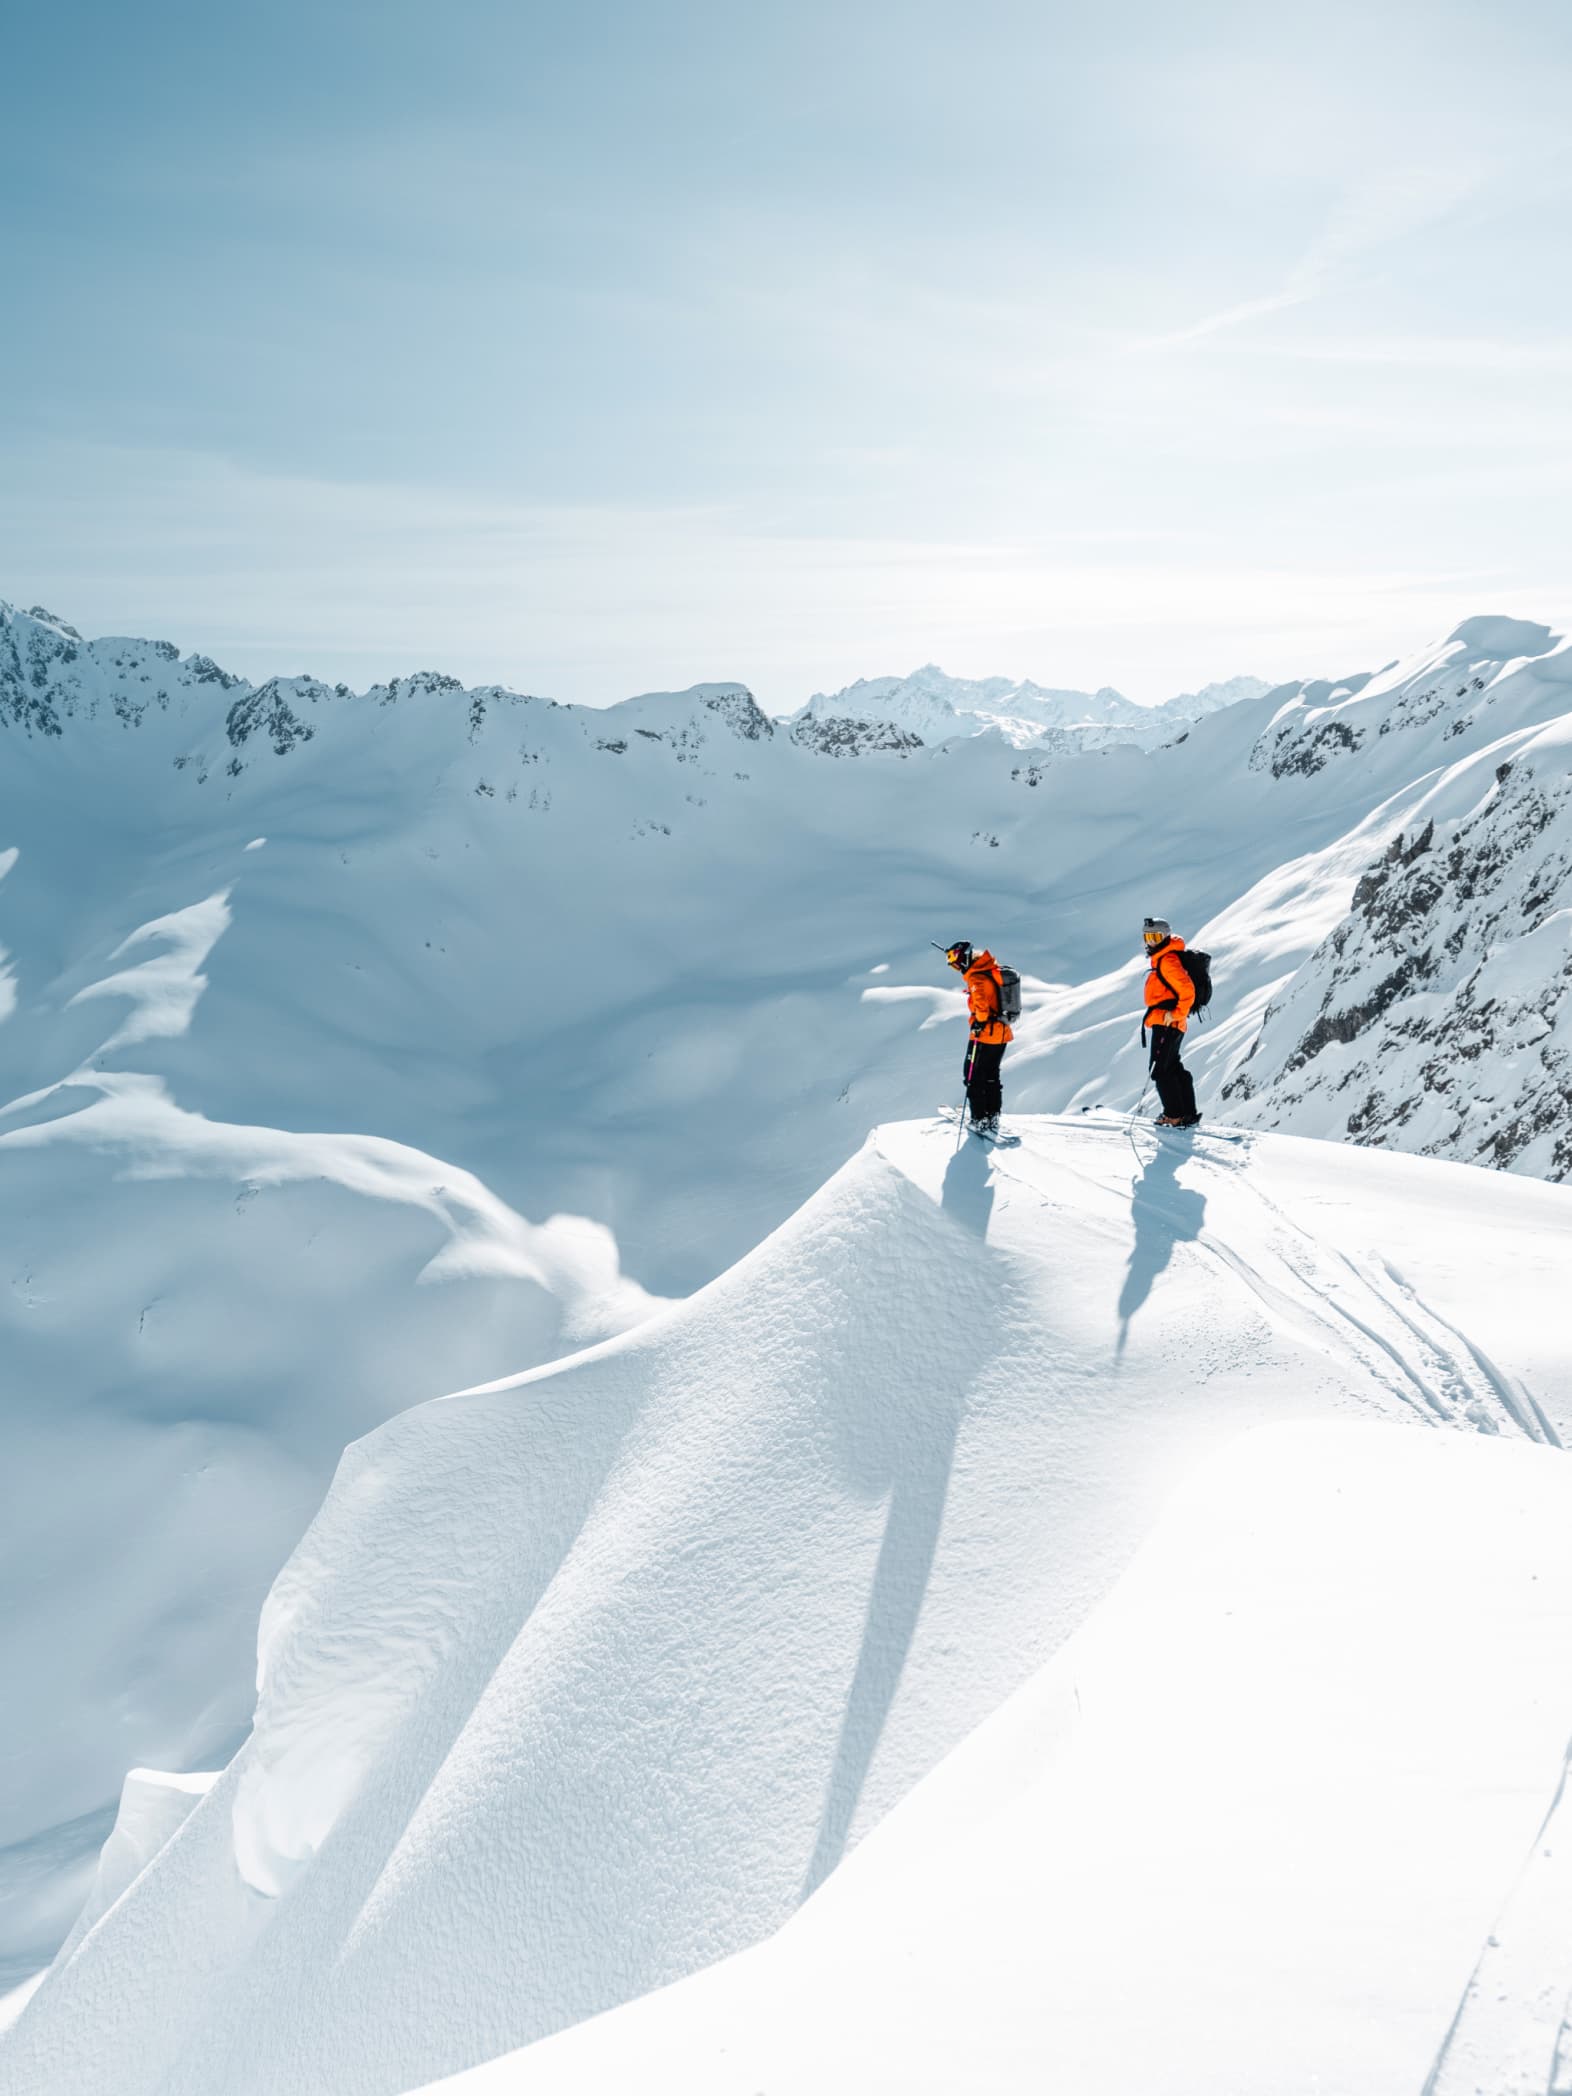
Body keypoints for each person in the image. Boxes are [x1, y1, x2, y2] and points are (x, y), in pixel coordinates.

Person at [943, 940, 1012, 1136]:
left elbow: (981, 1007)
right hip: (1001, 1033)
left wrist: (978, 1022)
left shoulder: (976, 978)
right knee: (991, 1074)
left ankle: (979, 1119)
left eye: (955, 960)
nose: (954, 966)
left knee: (972, 1076)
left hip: (985, 1035)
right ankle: (992, 1115)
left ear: (964, 957)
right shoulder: (989, 970)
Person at [1141, 917, 1201, 1128]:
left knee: (1160, 1070)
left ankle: (1174, 1115)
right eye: (1148, 937)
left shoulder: (1167, 960)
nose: (1151, 942)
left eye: (1155, 937)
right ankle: (1187, 1114)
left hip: (1168, 1022)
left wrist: (1175, 1013)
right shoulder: (1164, 958)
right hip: (1169, 1022)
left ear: (1165, 937)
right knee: (1173, 1068)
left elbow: (1187, 990)